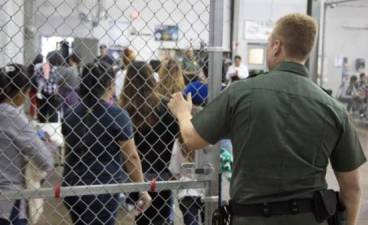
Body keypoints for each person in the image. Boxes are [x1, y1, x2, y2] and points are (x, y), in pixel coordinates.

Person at [168, 13, 366, 225]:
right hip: (310, 217)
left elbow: (192, 139)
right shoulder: (333, 108)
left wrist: (182, 112)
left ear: (276, 46)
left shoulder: (241, 93)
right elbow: (352, 188)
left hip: (249, 217)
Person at [62, 63, 151, 225]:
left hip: (72, 183)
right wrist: (142, 189)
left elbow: (68, 151)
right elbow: (131, 157)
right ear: (110, 85)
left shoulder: (71, 114)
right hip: (103, 186)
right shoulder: (117, 115)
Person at [0, 64, 54, 225]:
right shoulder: (11, 115)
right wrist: (46, 144)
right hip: (7, 202)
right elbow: (46, 160)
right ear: (18, 92)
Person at [119, 61, 179, 225]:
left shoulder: (123, 111)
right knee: (162, 217)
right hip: (163, 173)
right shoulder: (166, 107)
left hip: (134, 175)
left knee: (141, 217)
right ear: (151, 79)